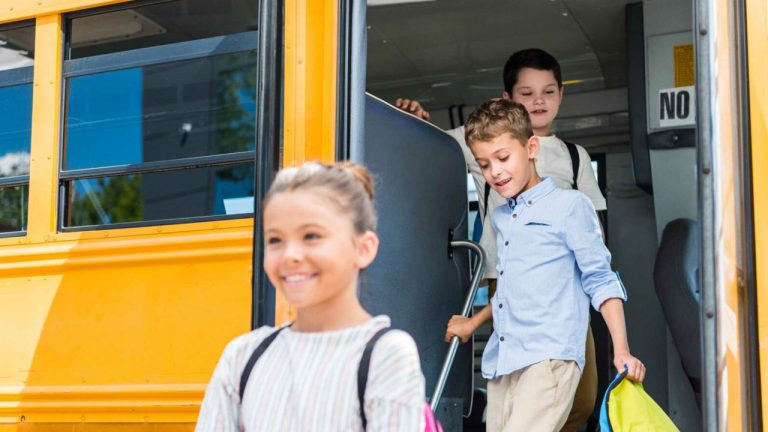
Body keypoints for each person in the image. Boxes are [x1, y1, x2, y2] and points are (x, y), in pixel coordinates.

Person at [396, 48, 605, 431]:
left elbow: (594, 228)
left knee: (581, 394)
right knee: (518, 381)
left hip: (564, 286)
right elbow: (433, 148)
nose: (538, 101)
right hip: (508, 277)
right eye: (527, 93)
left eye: (548, 91)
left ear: (561, 95)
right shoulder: (481, 140)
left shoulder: (575, 157)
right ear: (508, 99)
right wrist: (415, 121)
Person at [445, 99, 644, 432]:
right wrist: (472, 323)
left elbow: (600, 280)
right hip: (504, 363)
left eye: (503, 158)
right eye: (483, 164)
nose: (495, 172)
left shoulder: (570, 207)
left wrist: (621, 350)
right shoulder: (502, 217)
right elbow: (510, 291)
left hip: (549, 358)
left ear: (531, 147)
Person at [195, 162, 425, 431]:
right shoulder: (242, 355)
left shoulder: (386, 355)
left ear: (364, 249)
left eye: (311, 236)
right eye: (275, 240)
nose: (290, 254)